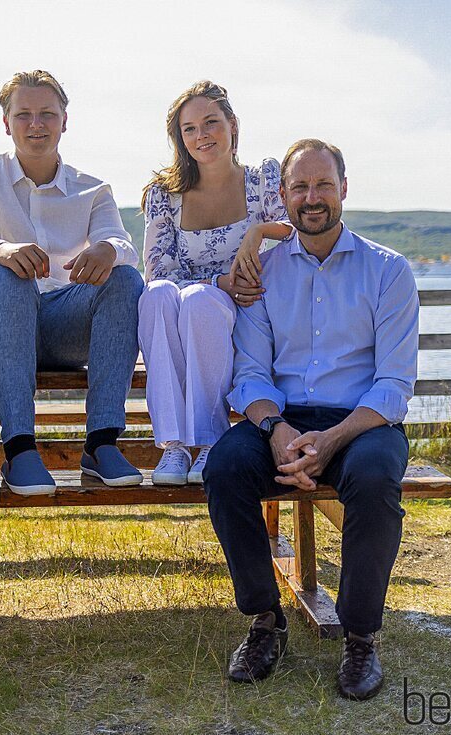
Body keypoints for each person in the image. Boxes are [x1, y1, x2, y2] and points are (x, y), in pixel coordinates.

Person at [203, 139, 419, 700]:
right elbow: (248, 375)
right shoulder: (263, 272)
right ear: (282, 197)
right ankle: (265, 622)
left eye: (323, 184)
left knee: (373, 481)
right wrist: (278, 430)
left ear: (344, 189)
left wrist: (334, 438)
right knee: (225, 469)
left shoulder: (388, 271)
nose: (312, 197)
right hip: (284, 419)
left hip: (362, 422)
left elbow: (395, 384)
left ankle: (360, 635)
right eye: (300, 187)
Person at [0, 69, 144, 496]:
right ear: (6, 123)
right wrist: (1, 249)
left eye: (47, 114)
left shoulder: (93, 190)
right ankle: (19, 450)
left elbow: (122, 243)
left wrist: (107, 250)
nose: (36, 124)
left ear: (65, 120)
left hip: (57, 328)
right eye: (24, 115)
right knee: (9, 276)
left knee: (125, 279)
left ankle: (101, 445)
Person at [139, 81, 292, 485]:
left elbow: (295, 229)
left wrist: (258, 232)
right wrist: (216, 280)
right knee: (158, 295)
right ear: (180, 139)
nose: (201, 135)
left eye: (211, 123)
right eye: (189, 129)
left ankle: (210, 439)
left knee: (199, 302)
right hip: (194, 305)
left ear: (232, 125)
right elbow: (157, 269)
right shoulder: (164, 194)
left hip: (249, 307)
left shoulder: (262, 179)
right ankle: (173, 446)